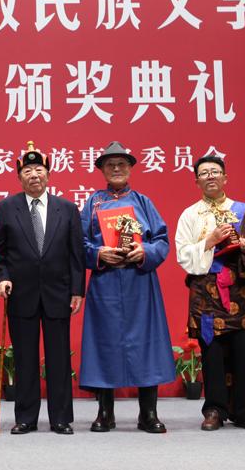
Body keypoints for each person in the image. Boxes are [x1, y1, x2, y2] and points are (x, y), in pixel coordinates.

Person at [79, 141, 175, 434]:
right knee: (103, 344)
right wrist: (98, 254)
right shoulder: (93, 203)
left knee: (147, 343)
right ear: (102, 170)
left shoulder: (143, 202)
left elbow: (161, 240)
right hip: (105, 281)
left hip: (140, 282)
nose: (116, 169)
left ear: (130, 168)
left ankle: (148, 413)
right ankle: (105, 412)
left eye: (122, 164)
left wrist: (144, 251)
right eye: (110, 165)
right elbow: (79, 243)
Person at [0, 142, 85, 435]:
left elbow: (76, 254)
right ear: (19, 177)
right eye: (28, 170)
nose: (34, 175)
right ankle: (26, 418)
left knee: (59, 359)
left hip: (58, 293)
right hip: (21, 294)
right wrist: (1, 278)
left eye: (39, 169)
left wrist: (77, 290)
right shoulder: (6, 208)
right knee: (25, 358)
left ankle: (61, 418)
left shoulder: (67, 209)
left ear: (48, 174)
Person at [175, 155, 245, 431]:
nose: (210, 176)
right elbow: (183, 255)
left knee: (244, 353)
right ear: (196, 181)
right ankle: (214, 410)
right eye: (204, 173)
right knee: (212, 355)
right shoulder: (189, 215)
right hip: (206, 295)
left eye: (215, 171)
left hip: (241, 293)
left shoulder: (243, 211)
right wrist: (210, 241)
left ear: (225, 178)